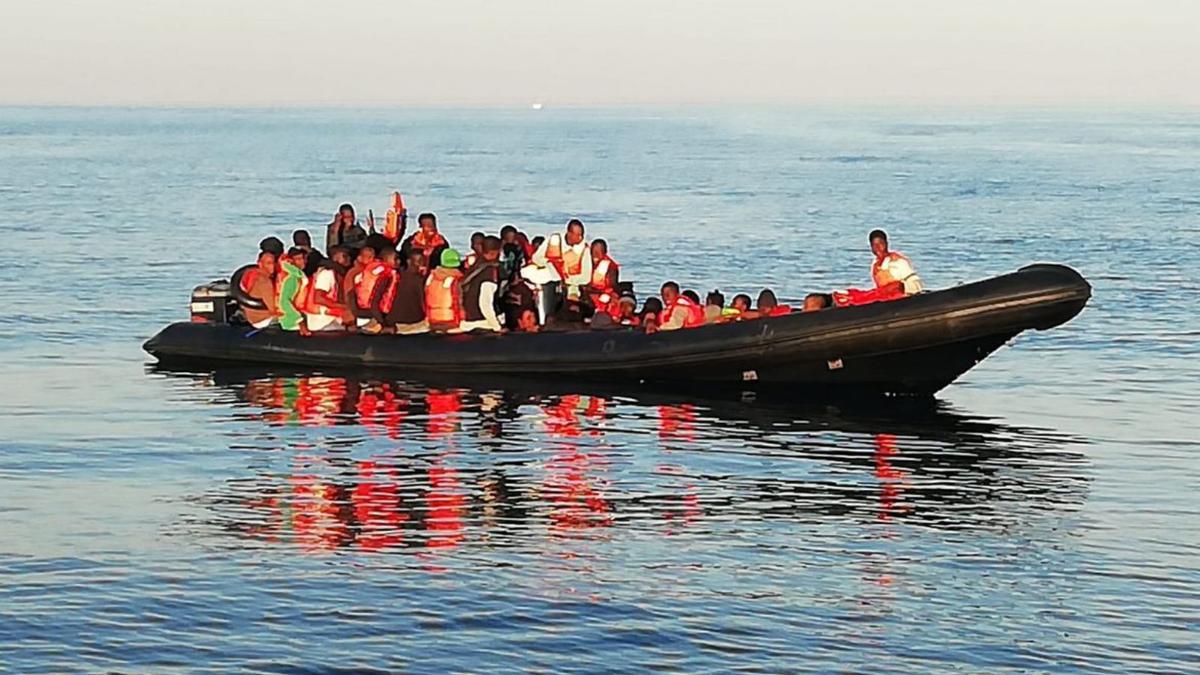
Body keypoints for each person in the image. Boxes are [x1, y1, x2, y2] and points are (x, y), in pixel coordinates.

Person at [526, 219, 593, 294]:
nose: (581, 238)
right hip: (549, 276)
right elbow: (536, 258)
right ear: (569, 233)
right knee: (527, 271)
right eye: (577, 235)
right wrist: (549, 263)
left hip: (571, 284)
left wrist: (567, 279)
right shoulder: (554, 239)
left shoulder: (584, 249)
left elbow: (586, 277)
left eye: (581, 235)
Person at [460, 236, 504, 332]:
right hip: (482, 323)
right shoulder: (490, 272)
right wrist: (497, 327)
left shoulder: (475, 266)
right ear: (495, 252)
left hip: (467, 320)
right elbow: (485, 304)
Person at [304, 247, 353, 332]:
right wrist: (345, 307)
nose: (349, 258)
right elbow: (318, 299)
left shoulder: (338, 274)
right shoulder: (327, 274)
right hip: (322, 322)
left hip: (331, 318)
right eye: (345, 256)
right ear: (335, 258)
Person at [352, 247, 397, 333]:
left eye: (373, 257)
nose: (372, 259)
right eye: (395, 259)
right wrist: (382, 323)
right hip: (372, 315)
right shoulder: (384, 274)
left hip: (362, 314)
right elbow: (374, 300)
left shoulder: (364, 273)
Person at [385, 249, 429, 334]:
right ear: (409, 261)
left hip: (391, 320)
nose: (421, 265)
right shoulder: (419, 280)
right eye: (418, 262)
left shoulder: (395, 276)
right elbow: (424, 303)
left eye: (423, 262)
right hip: (412, 321)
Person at [870, 229, 924, 296]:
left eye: (881, 244)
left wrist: (900, 286)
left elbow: (917, 284)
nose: (878, 248)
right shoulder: (875, 264)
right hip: (886, 298)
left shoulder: (898, 262)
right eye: (874, 245)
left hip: (903, 298)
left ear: (886, 244)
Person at [425, 249, 465, 333]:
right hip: (451, 323)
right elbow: (460, 303)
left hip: (432, 322)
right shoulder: (456, 280)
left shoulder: (431, 277)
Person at [242, 251, 279, 329]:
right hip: (264, 319)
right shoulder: (264, 281)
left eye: (273, 263)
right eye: (268, 263)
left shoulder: (252, 275)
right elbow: (273, 308)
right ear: (260, 264)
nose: (272, 266)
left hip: (252, 318)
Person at [276, 248, 310, 334]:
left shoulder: (297, 275)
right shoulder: (292, 278)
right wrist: (300, 321)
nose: (303, 261)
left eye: (304, 258)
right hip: (291, 320)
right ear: (291, 261)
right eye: (298, 259)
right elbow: (284, 301)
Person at [585, 238, 620, 314]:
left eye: (599, 251)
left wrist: (592, 290)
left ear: (605, 252)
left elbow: (612, 286)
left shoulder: (611, 267)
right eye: (594, 251)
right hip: (588, 293)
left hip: (603, 294)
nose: (596, 254)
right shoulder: (586, 262)